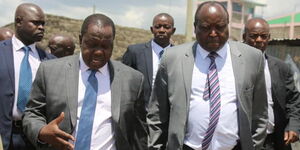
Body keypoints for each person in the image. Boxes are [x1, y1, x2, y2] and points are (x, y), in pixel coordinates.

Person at [147, 1, 268, 150]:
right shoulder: (172, 58)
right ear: (195, 27)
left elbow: (260, 115)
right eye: (205, 28)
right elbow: (157, 113)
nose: (213, 33)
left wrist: (254, 147)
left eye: (220, 27)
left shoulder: (252, 58)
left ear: (228, 25)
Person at [22, 13, 148, 150]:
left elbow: (139, 133)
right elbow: (32, 113)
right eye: (92, 45)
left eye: (105, 46)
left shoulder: (133, 79)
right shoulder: (49, 71)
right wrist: (40, 131)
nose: (99, 52)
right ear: (81, 39)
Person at [0, 3, 55, 150]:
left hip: (37, 138)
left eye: (43, 23)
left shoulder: (50, 61)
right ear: (18, 22)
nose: (41, 27)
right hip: (4, 135)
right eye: (36, 23)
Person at [243, 18, 300, 150]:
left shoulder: (281, 68)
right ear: (244, 37)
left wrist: (293, 126)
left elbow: (294, 101)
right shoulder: (231, 68)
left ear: (268, 38)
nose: (258, 40)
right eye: (253, 36)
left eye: (263, 36)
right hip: (242, 142)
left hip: (274, 141)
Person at [122, 13, 176, 106]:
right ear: (152, 29)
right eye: (158, 27)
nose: (162, 30)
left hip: (169, 114)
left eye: (166, 27)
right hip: (140, 113)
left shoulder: (180, 55)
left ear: (173, 30)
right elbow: (123, 80)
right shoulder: (135, 52)